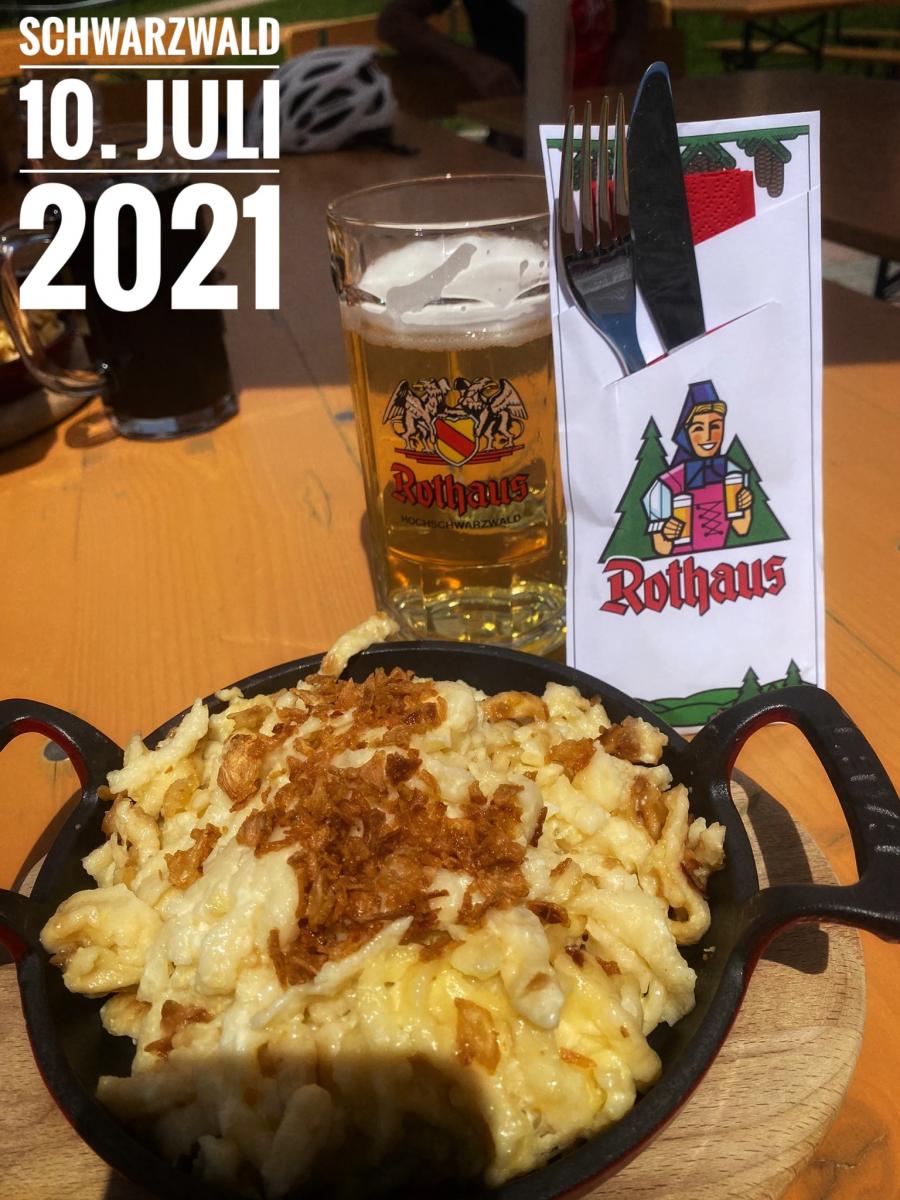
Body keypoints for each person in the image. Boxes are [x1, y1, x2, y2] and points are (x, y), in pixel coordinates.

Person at [377, 0, 648, 101]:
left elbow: (635, 6)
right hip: (517, 135)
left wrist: (629, 43)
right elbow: (394, 21)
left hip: (603, 121)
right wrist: (470, 62)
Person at [643, 381, 753, 558]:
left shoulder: (733, 472)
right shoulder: (666, 485)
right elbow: (662, 548)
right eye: (698, 428)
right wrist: (667, 533)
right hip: (682, 569)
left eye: (715, 426)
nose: (708, 436)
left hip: (723, 566)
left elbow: (742, 528)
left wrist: (745, 507)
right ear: (685, 433)